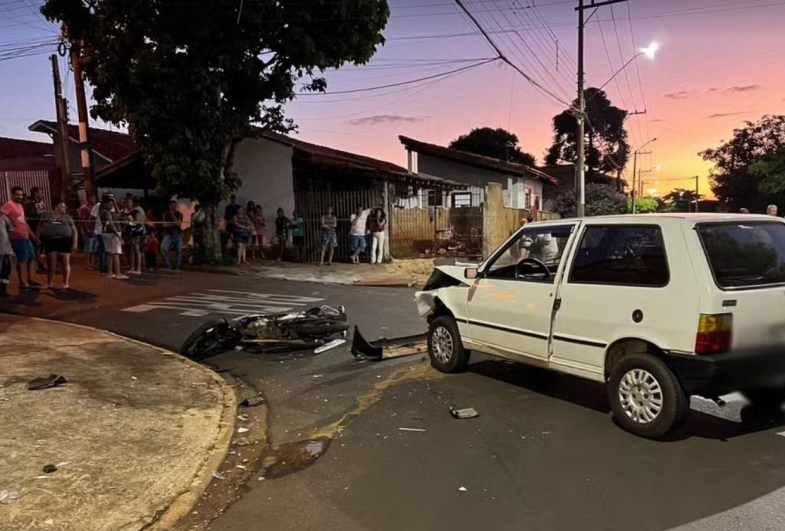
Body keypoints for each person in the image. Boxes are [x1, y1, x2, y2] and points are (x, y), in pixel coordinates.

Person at [1, 186, 39, 288]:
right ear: (12, 194)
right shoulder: (9, 204)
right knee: (21, 259)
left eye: (21, 195)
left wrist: (33, 236)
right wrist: (9, 225)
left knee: (31, 257)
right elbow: (2, 214)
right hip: (17, 237)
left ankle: (30, 279)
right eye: (17, 194)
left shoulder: (20, 206)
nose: (19, 196)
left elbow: (24, 222)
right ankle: (22, 282)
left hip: (25, 236)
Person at [37, 199, 78, 289]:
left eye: (65, 206)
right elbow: (39, 226)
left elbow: (74, 230)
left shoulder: (67, 217)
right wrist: (37, 238)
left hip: (64, 240)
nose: (65, 208)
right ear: (56, 207)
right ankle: (49, 283)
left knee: (65, 261)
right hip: (50, 240)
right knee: (51, 263)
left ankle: (66, 283)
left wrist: (75, 243)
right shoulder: (46, 215)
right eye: (62, 206)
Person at [99, 193, 127, 280]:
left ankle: (110, 272)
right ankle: (118, 273)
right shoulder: (106, 211)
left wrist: (114, 203)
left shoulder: (105, 210)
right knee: (115, 253)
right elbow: (111, 224)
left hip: (108, 233)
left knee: (110, 254)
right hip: (113, 233)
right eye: (109, 204)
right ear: (105, 203)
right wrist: (119, 237)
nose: (111, 205)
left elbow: (119, 214)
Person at [24, 186, 46, 273]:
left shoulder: (40, 202)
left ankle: (41, 263)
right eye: (40, 192)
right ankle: (39, 265)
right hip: (33, 227)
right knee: (36, 246)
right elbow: (31, 216)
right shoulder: (29, 203)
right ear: (36, 193)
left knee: (40, 246)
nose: (42, 194)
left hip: (41, 227)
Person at [161, 200, 184, 270]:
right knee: (163, 248)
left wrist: (173, 215)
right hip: (168, 234)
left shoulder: (179, 214)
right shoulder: (165, 214)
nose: (173, 207)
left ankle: (177, 266)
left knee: (178, 250)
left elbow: (178, 223)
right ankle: (168, 265)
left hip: (177, 234)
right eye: (172, 206)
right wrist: (173, 224)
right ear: (169, 206)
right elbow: (164, 225)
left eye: (174, 206)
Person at [77, 198, 98, 270]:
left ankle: (91, 263)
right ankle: (87, 264)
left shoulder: (95, 207)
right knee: (88, 247)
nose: (93, 200)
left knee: (93, 248)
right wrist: (87, 230)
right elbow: (82, 220)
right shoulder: (84, 208)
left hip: (95, 229)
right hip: (87, 230)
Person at [126, 198, 145, 274]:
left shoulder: (136, 211)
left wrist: (129, 223)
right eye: (126, 202)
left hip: (136, 232)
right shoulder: (129, 212)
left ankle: (138, 268)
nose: (128, 204)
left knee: (137, 249)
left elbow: (137, 222)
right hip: (130, 232)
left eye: (129, 202)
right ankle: (132, 267)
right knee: (132, 250)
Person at [0, 210, 13, 297]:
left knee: (7, 271)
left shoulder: (3, 217)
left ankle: (3, 289)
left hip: (6, 249)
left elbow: (10, 229)